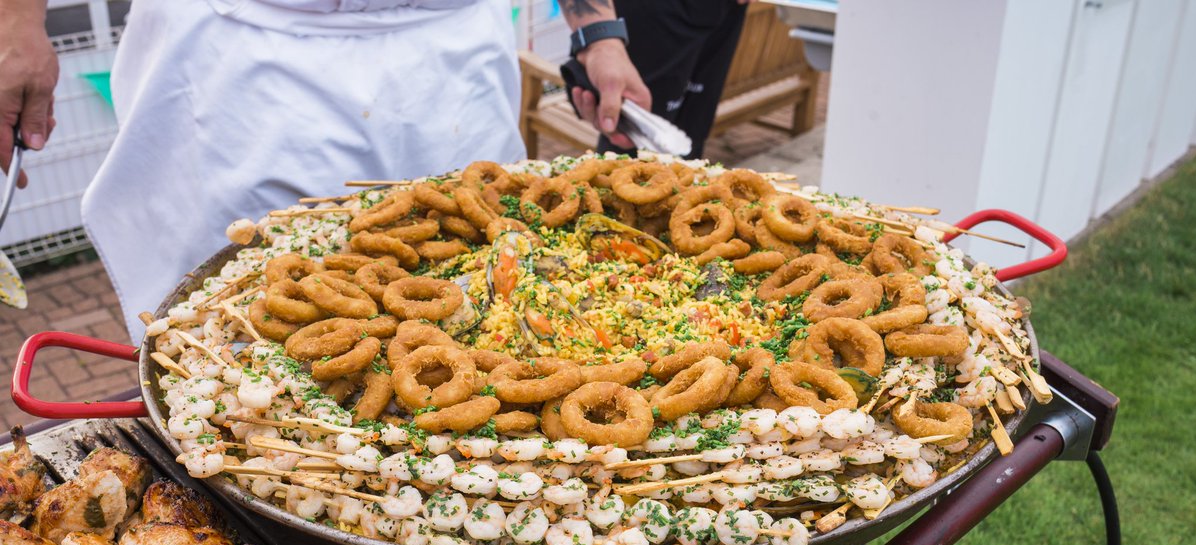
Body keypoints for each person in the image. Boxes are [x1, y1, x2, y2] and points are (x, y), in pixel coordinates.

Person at [0, 0, 649, 336]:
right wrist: (15, 22)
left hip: (452, 49)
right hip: (245, 48)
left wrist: (597, 31)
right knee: (238, 311)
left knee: (491, 283)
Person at [578, 0, 755, 160]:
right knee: (635, 138)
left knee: (692, 136)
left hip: (725, 9)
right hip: (656, 13)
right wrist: (600, 43)